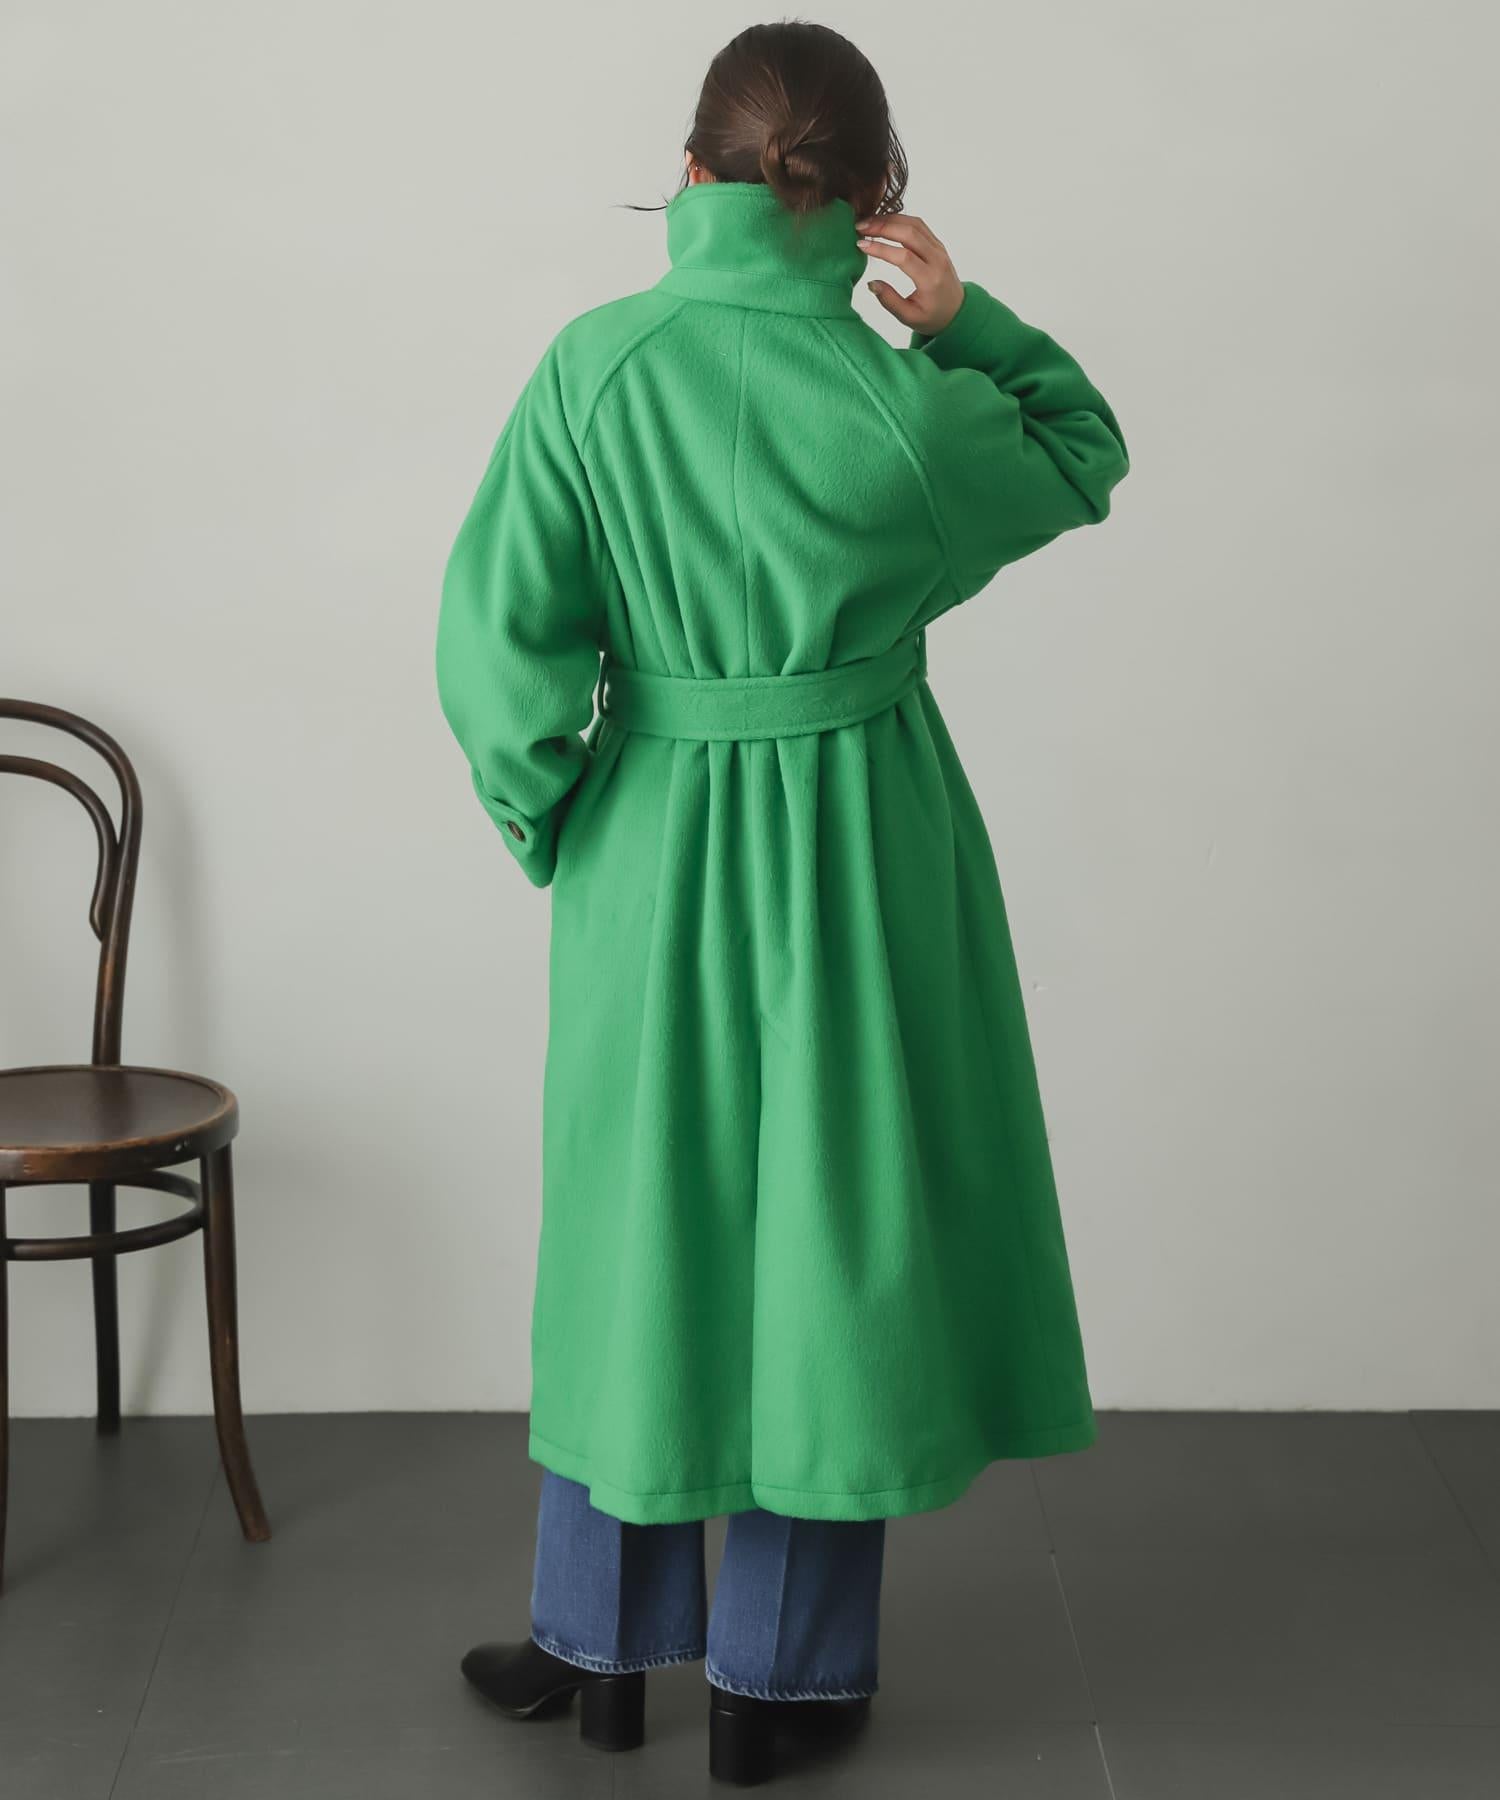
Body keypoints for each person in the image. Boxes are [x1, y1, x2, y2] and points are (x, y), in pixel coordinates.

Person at [435, 19, 1128, 1788]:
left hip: (650, 833)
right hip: (858, 831)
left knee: (639, 1226)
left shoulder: (596, 367)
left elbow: (499, 645)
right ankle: (778, 1680)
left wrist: (551, 817)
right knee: (839, 1232)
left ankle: (596, 1645)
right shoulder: (903, 402)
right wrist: (958, 317)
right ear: (875, 192)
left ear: (689, 170)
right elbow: (1080, 448)